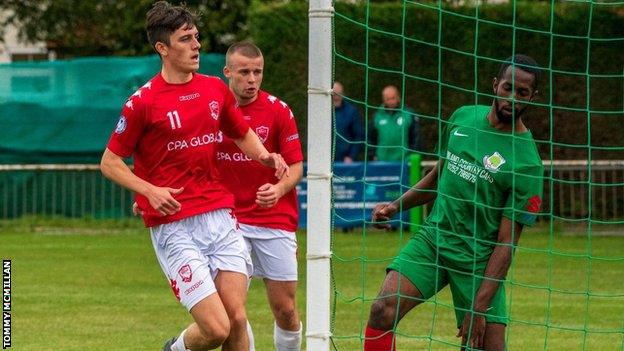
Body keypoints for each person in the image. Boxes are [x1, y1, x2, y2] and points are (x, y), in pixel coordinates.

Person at [100, 2, 288, 351]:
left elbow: (240, 131)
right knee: (216, 329)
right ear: (163, 48)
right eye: (185, 39)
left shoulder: (215, 88)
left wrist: (265, 156)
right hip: (174, 224)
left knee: (237, 321)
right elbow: (110, 162)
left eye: (197, 37)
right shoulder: (142, 102)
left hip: (219, 216)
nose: (196, 45)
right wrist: (150, 191)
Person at [364, 54, 544, 351]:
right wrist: (397, 206)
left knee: (487, 344)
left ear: (533, 98)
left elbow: (506, 242)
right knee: (382, 309)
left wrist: (480, 305)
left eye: (522, 93)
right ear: (495, 85)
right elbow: (438, 177)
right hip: (434, 239)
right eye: (508, 88)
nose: (512, 98)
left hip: (478, 259)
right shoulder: (462, 117)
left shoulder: (527, 163)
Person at [220, 41, 304, 351]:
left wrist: (279, 189)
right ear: (228, 72)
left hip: (274, 219)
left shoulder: (279, 110)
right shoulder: (213, 111)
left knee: (285, 310)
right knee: (234, 313)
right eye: (244, 72)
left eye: (258, 72)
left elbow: (296, 167)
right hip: (228, 222)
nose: (252, 79)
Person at [368, 85, 421, 161]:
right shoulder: (377, 116)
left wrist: (412, 155)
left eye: (393, 98)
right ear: (383, 100)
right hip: (382, 161)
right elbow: (370, 138)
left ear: (398, 97)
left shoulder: (408, 114)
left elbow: (416, 137)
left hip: (404, 161)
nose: (391, 102)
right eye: (388, 99)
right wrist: (372, 155)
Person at [333, 81, 365, 163]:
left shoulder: (351, 111)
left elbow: (359, 135)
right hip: (325, 161)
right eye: (334, 94)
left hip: (345, 161)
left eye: (339, 94)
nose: (336, 97)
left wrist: (351, 156)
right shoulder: (322, 112)